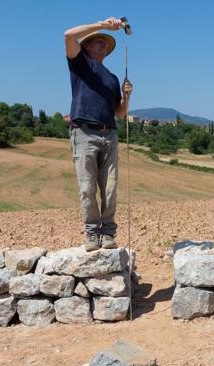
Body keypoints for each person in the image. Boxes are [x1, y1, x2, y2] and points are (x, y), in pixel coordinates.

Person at [64, 17, 133, 251]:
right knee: (87, 188)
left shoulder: (112, 78)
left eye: (105, 43)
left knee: (111, 188)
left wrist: (127, 97)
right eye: (98, 42)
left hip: (109, 134)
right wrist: (102, 25)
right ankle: (92, 233)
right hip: (84, 133)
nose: (103, 44)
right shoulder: (79, 64)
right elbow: (68, 35)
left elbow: (120, 114)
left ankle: (108, 233)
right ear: (86, 46)